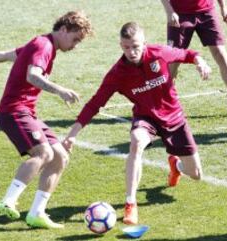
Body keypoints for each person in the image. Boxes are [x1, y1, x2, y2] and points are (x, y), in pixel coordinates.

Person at [0, 11, 92, 228]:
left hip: (26, 112)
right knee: (43, 153)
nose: (75, 46)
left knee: (60, 156)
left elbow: (7, 55)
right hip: (13, 111)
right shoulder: (44, 46)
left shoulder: (43, 44)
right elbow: (32, 76)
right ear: (64, 30)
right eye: (75, 39)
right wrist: (60, 90)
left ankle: (36, 213)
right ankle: (8, 200)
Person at [63, 22, 211, 225]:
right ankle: (130, 204)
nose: (131, 52)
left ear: (144, 43)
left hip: (174, 118)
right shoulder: (117, 73)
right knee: (136, 142)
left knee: (196, 175)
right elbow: (95, 104)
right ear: (120, 45)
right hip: (146, 117)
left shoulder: (160, 53)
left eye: (135, 46)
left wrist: (200, 62)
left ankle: (175, 165)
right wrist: (73, 133)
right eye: (126, 47)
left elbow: (187, 54)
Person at [161, 0, 227, 119]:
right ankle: (164, 105)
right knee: (173, 61)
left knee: (221, 55)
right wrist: (169, 11)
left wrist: (223, 7)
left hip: (207, 12)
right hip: (180, 14)